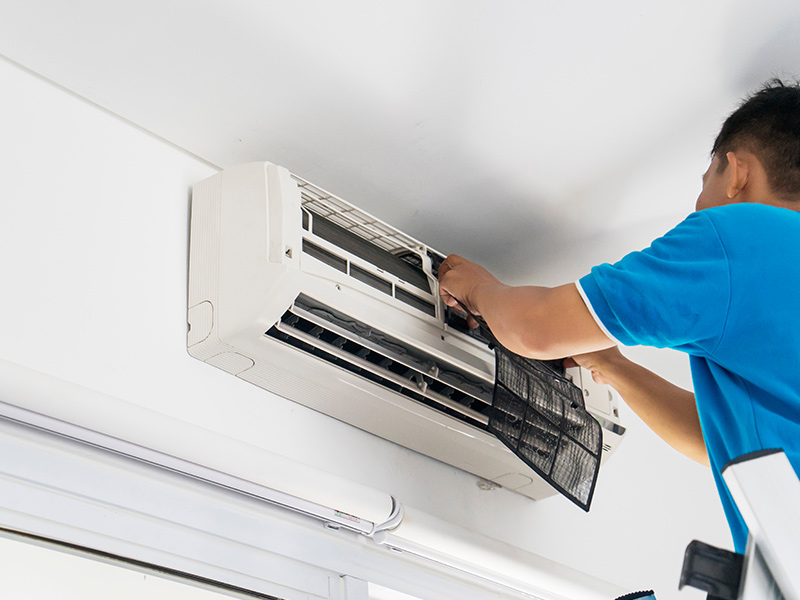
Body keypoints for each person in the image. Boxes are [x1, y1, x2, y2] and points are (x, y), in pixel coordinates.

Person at [437, 80, 800, 554]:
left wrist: (478, 287)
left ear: (736, 172)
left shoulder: (741, 239)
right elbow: (714, 440)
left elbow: (535, 328)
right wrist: (614, 366)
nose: (699, 205)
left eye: (704, 184)